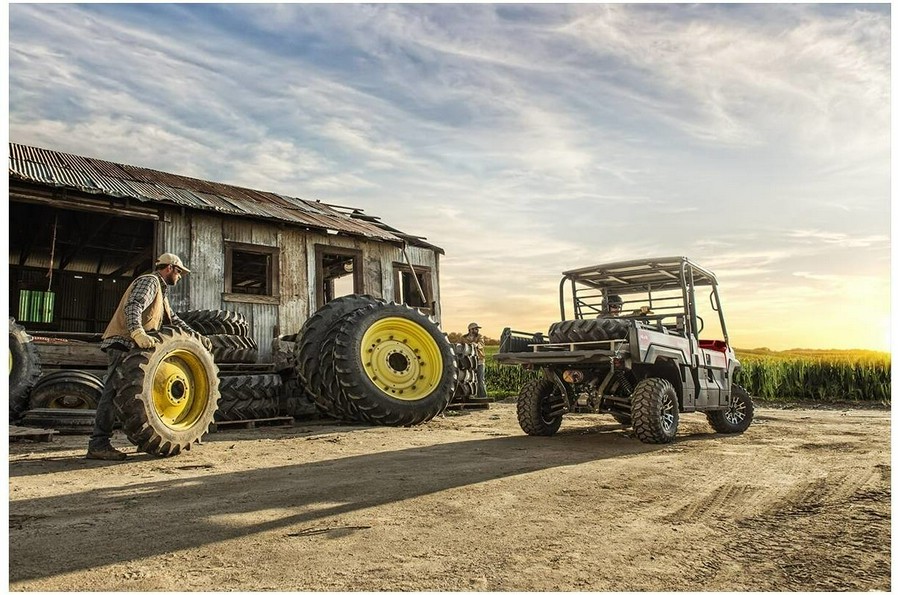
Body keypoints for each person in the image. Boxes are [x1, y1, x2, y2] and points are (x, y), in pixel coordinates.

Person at [86, 253, 209, 461]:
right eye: (179, 272)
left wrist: (197, 337)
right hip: (124, 343)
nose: (179, 277)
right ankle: (98, 443)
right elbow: (134, 305)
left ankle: (142, 438)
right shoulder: (149, 281)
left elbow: (174, 320)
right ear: (169, 268)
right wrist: (137, 332)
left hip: (134, 347)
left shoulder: (162, 291)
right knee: (112, 393)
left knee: (135, 397)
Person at [461, 322, 487, 400]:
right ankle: (469, 396)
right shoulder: (463, 338)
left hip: (479, 361)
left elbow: (481, 344)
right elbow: (460, 346)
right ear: (470, 330)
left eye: (477, 329)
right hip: (469, 362)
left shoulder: (480, 336)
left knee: (480, 380)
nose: (477, 330)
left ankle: (482, 397)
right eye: (475, 329)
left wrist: (476, 345)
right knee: (469, 379)